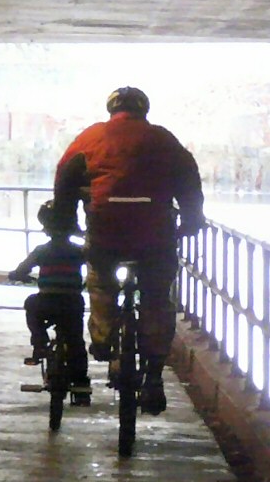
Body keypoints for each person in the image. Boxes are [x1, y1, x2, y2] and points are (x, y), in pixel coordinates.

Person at [52, 86, 205, 415]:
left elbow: (65, 178)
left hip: (106, 231)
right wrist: (192, 221)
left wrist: (65, 220)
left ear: (110, 110)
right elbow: (189, 180)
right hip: (155, 235)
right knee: (157, 295)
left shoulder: (90, 138)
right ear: (144, 110)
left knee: (101, 280)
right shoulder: (163, 139)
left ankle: (104, 337)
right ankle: (153, 375)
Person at [8, 199, 90, 396]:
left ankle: (39, 342)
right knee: (76, 341)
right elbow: (95, 266)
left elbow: (21, 270)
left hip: (46, 302)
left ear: (45, 229)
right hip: (72, 302)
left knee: (30, 304)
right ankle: (80, 383)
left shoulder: (41, 251)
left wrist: (17, 275)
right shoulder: (79, 251)